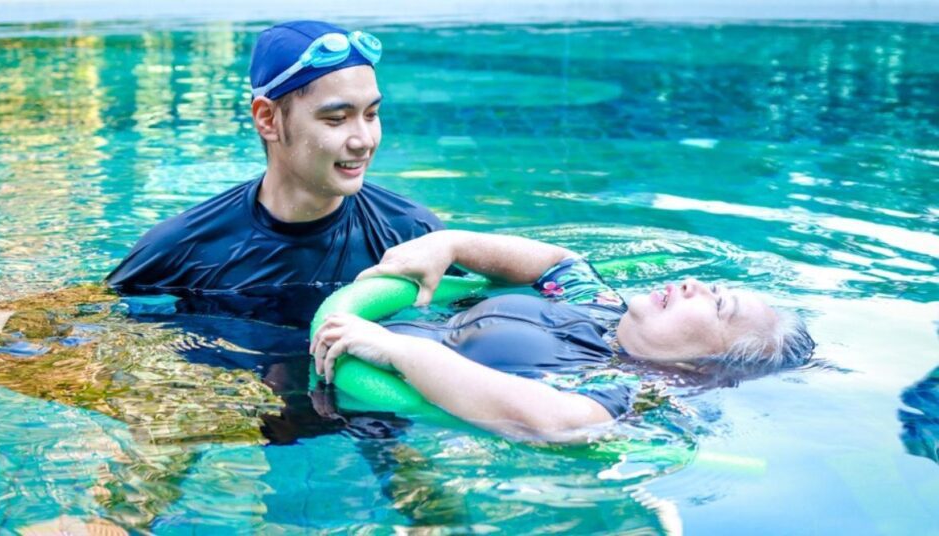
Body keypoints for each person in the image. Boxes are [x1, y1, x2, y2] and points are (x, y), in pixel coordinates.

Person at [311, 230, 816, 442]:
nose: (691, 285)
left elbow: (557, 422)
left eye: (716, 303)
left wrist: (401, 351)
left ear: (707, 364)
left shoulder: (630, 389)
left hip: (352, 412)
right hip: (340, 338)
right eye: (709, 285)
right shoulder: (599, 307)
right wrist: (449, 243)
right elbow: (557, 260)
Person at [106, 20, 448, 328]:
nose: (364, 141)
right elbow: (89, 323)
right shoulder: (186, 246)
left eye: (371, 115)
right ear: (267, 119)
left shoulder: (411, 234)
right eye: (336, 119)